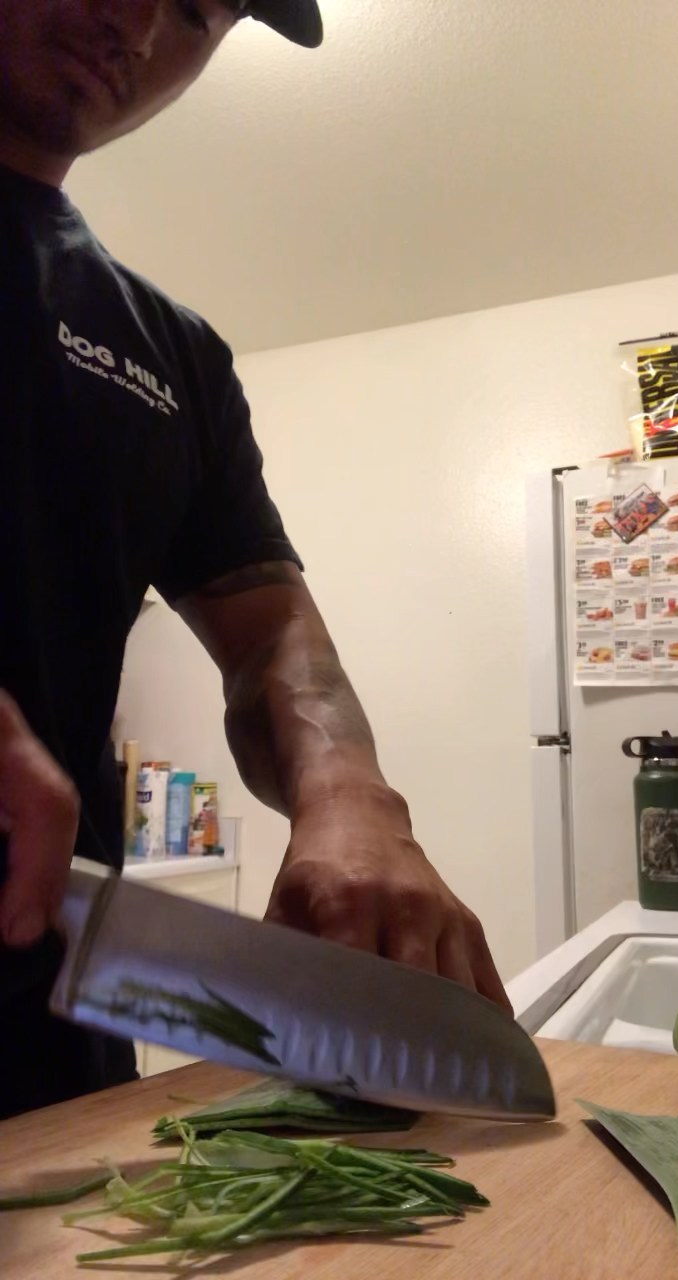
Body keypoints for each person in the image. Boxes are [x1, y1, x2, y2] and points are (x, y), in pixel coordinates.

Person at [0, 0, 509, 1118]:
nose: (143, 23)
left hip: (47, 1042)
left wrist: (352, 795)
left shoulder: (171, 356)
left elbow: (272, 632)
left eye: (199, 9)